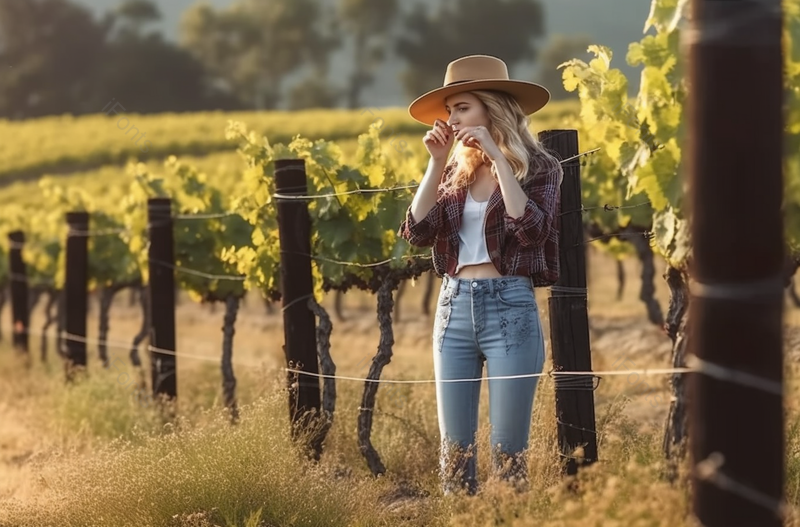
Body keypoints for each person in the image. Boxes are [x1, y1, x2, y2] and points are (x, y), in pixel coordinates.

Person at [397, 54, 564, 496]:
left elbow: (532, 231)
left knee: (509, 455)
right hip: (453, 307)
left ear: (492, 109)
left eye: (462, 108)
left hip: (510, 307)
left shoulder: (540, 167)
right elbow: (417, 232)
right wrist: (436, 163)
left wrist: (498, 158)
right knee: (454, 457)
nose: (451, 120)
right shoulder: (455, 170)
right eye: (449, 110)